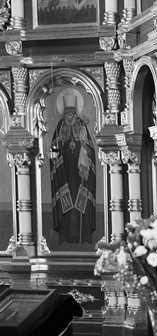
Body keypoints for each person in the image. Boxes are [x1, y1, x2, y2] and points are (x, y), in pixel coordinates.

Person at [50, 91, 97, 244]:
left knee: (81, 205)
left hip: (80, 175)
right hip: (64, 174)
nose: (69, 115)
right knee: (67, 206)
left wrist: (84, 148)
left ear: (76, 113)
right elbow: (53, 152)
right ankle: (65, 236)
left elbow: (91, 152)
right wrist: (58, 151)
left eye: (72, 112)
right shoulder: (59, 128)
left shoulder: (82, 127)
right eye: (67, 112)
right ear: (64, 114)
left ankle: (84, 235)